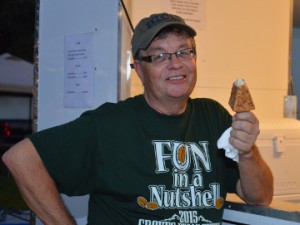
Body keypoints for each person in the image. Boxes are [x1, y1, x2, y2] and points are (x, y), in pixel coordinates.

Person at [2, 13, 273, 225]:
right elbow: (21, 158)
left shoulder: (213, 116)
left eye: (183, 51)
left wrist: (247, 153)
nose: (176, 63)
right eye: (159, 56)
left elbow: (259, 196)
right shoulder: (110, 123)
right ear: (139, 70)